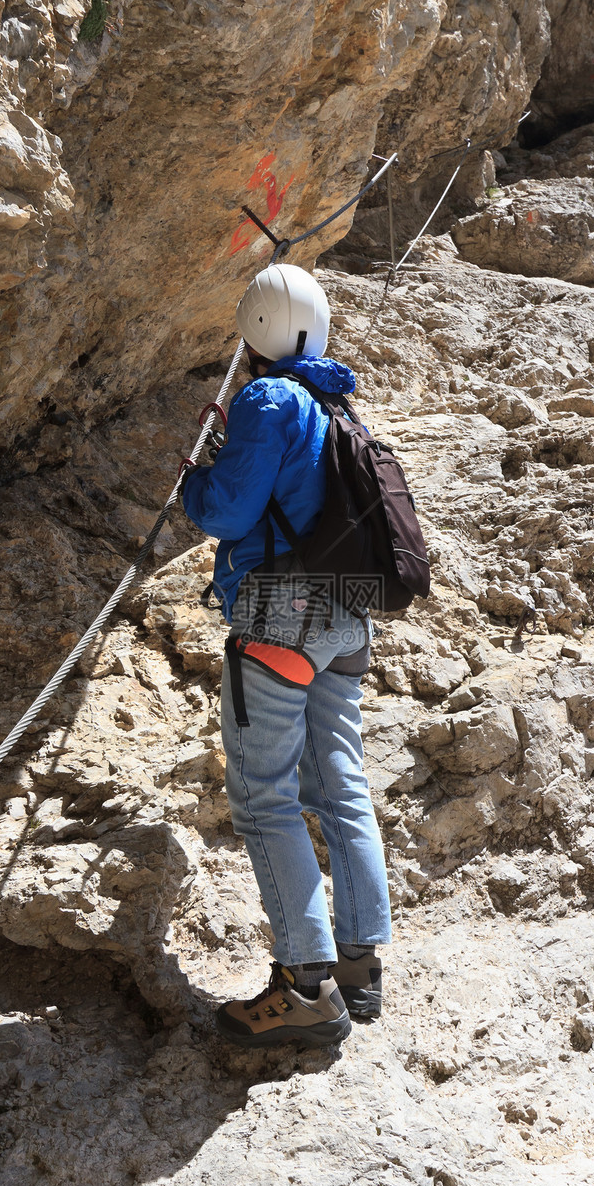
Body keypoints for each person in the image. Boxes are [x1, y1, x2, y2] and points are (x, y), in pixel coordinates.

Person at [181, 263, 391, 1048]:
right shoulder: (340, 402)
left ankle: (305, 988)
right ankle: (359, 966)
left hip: (280, 613)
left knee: (266, 799)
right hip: (347, 616)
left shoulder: (269, 398)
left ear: (254, 329)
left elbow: (228, 510)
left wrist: (193, 482)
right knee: (341, 785)